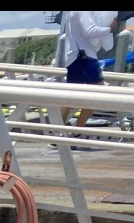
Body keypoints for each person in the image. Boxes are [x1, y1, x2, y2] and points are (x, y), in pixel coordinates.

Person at [53, 11, 120, 146]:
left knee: (71, 97)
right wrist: (110, 28)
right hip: (84, 56)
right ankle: (76, 130)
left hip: (75, 56)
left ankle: (58, 134)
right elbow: (90, 30)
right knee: (97, 93)